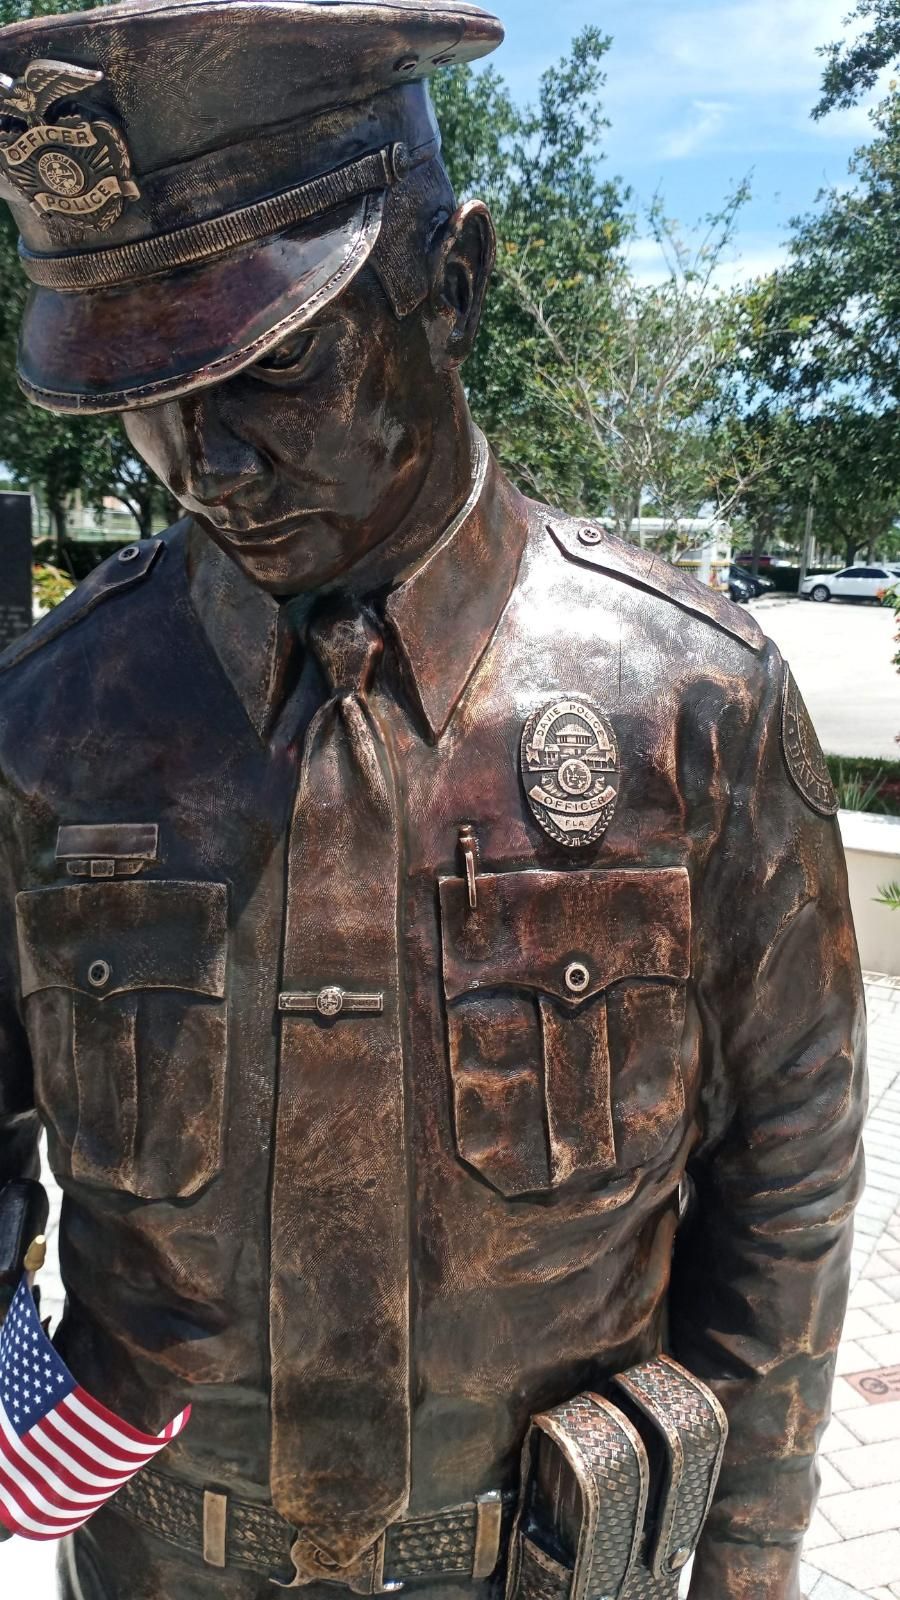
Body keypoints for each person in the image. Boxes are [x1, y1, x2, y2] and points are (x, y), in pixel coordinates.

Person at [0, 3, 866, 1598]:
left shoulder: (692, 700)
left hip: (539, 1566)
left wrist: (747, 1564)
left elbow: (789, 1165)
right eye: (145, 390)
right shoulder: (50, 722)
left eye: (271, 366)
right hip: (159, 1563)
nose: (203, 462)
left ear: (452, 287)